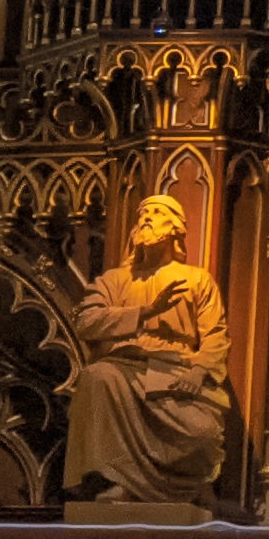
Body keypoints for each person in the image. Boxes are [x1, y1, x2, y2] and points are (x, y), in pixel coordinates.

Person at [54, 184, 239, 512]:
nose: (147, 219)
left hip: (177, 374)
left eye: (156, 213)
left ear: (175, 229)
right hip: (125, 370)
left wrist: (198, 371)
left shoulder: (197, 280)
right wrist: (145, 312)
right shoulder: (115, 280)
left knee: (202, 434)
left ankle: (193, 486)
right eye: (143, 215)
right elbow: (86, 322)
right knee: (98, 377)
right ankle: (119, 481)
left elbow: (216, 335)